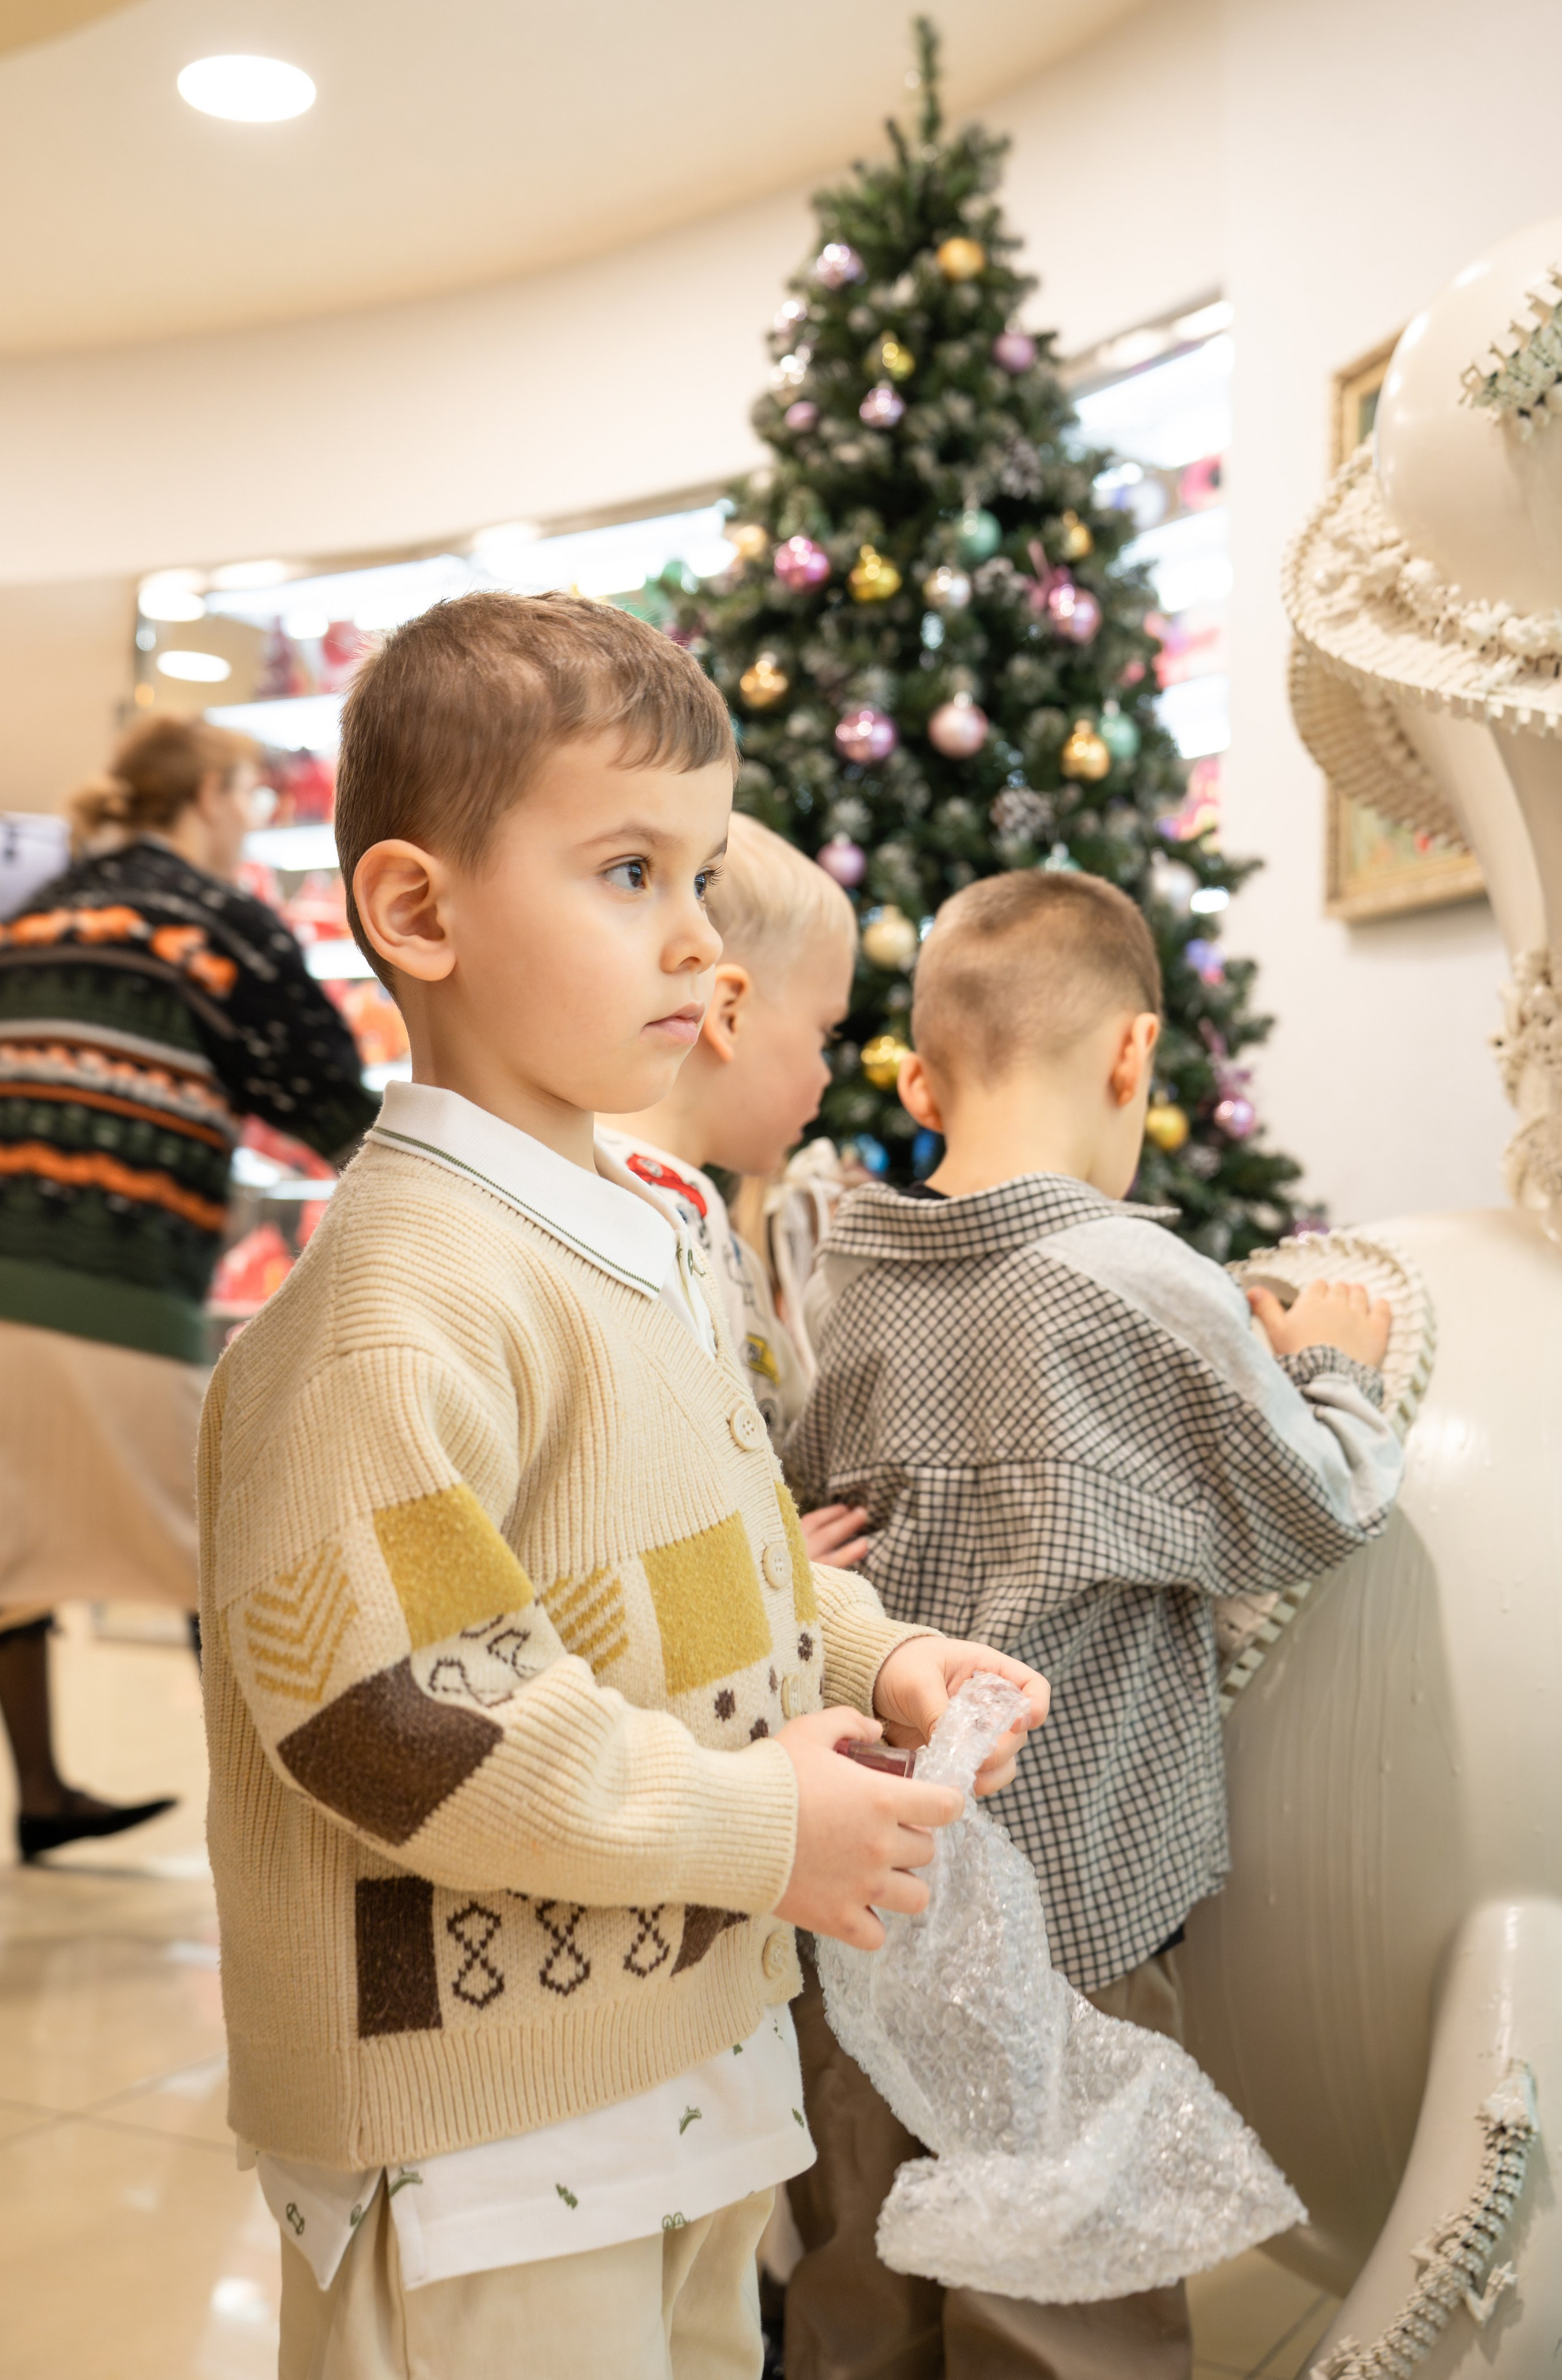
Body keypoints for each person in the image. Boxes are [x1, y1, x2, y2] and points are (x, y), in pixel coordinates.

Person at [199, 591, 1049, 2380]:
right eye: (626, 874)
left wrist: (877, 1660)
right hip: (485, 2150)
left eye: (705, 875)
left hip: (678, 2071)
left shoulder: (653, 1239)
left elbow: (738, 1559)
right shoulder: (401, 1303)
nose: (699, 944)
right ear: (419, 912)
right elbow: (395, 1716)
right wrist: (764, 1827)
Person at [781, 869, 1405, 2380]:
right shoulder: (1146, 1287)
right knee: (1064, 2321)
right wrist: (1333, 1365)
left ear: (921, 1080)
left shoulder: (850, 1283)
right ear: (1131, 1056)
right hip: (1070, 1915)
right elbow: (1317, 1502)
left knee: (860, 2291)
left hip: (857, 1898)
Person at [0, 716, 379, 1947]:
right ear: (210, 795)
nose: (256, 813)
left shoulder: (38, 915)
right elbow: (342, 1116)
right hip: (94, 1307)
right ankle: (305, 1877)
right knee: (233, 1575)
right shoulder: (221, 928)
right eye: (251, 793)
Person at [601, 809, 869, 1567]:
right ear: (729, 1012)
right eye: (825, 1034)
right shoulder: (639, 1225)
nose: (825, 1072)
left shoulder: (683, 1209)